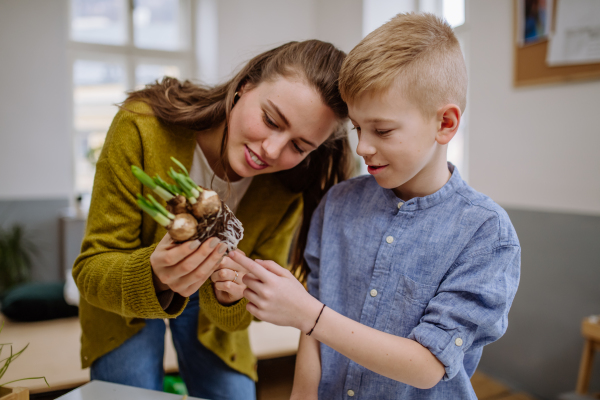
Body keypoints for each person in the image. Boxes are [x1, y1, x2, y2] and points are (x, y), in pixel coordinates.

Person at [230, 13, 521, 399]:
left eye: (382, 130)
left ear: (446, 124)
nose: (363, 147)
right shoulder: (338, 204)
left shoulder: (486, 233)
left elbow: (426, 366)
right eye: (357, 128)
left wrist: (308, 314)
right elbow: (311, 335)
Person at [72, 40, 354, 400]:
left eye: (299, 147)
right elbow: (90, 269)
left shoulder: (287, 188)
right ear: (244, 86)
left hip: (212, 317)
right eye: (270, 120)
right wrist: (155, 275)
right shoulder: (141, 126)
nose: (271, 150)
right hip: (123, 296)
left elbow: (244, 314)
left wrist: (230, 298)